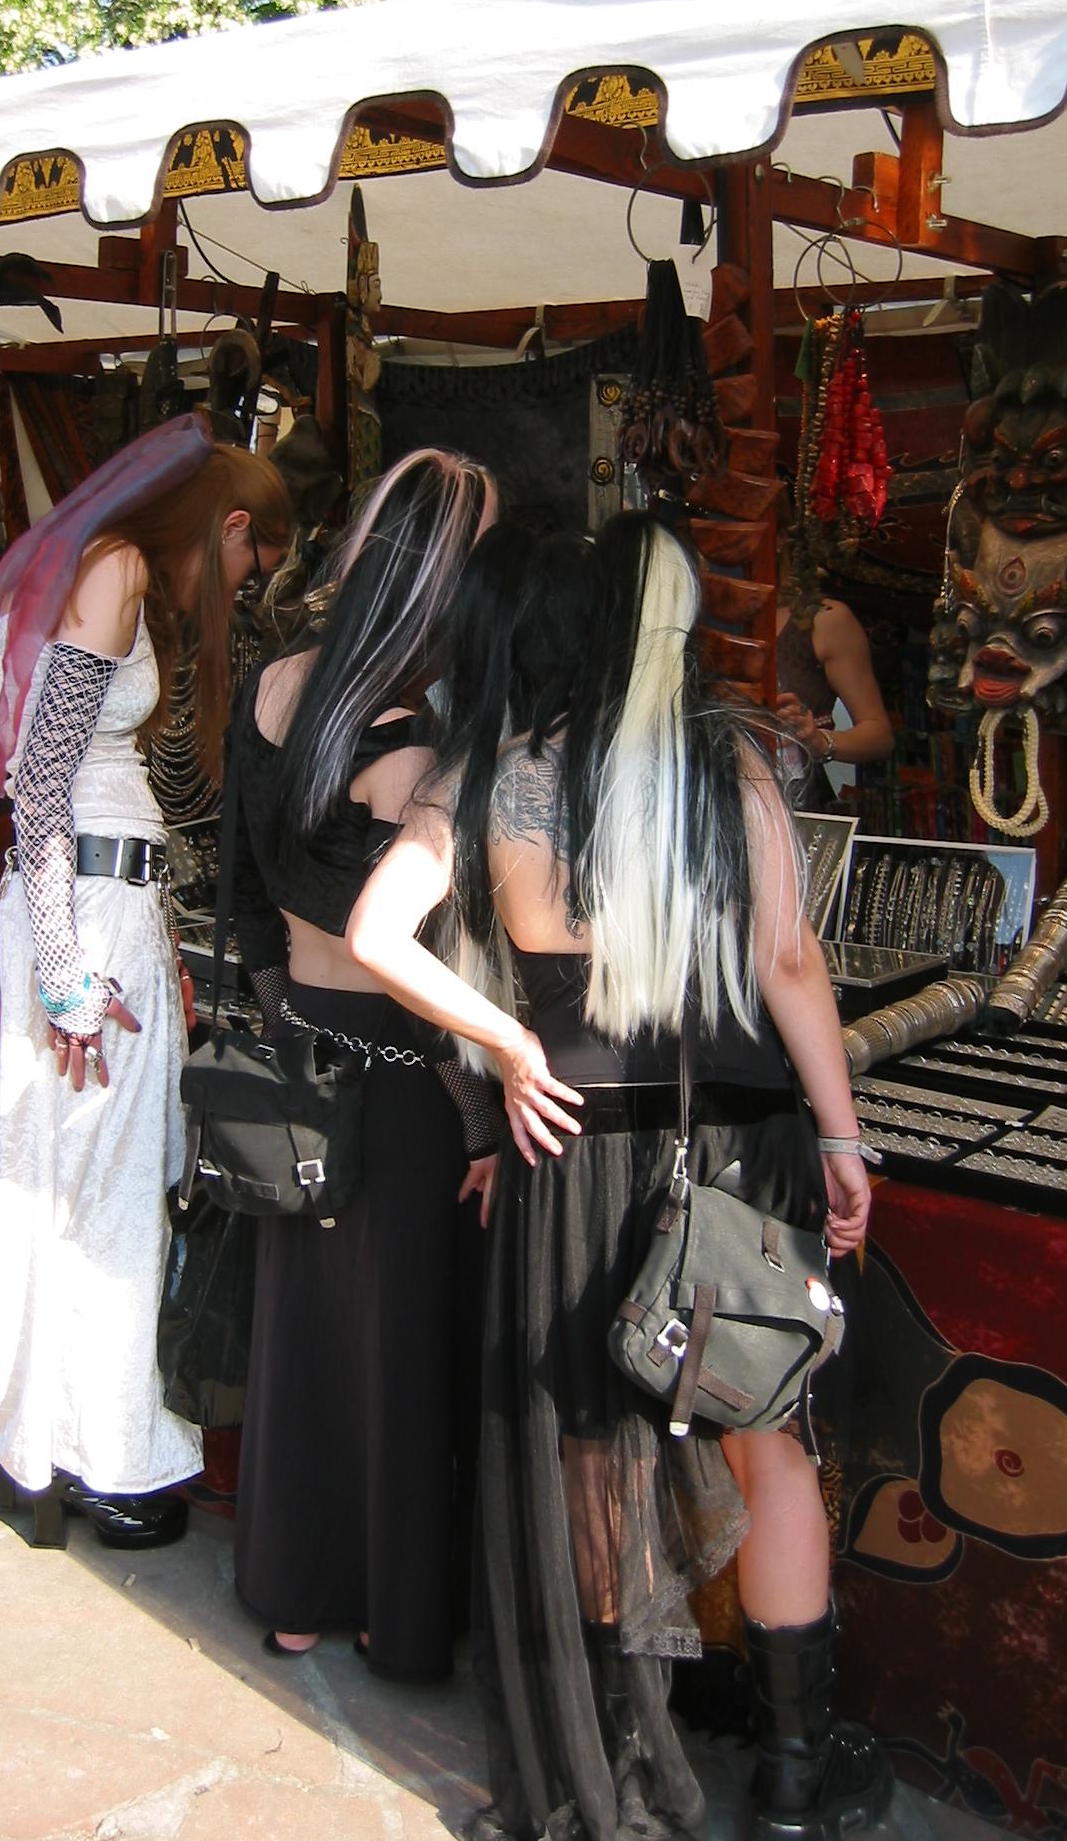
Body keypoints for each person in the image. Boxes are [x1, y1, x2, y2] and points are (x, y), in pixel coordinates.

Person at [347, 513, 892, 1841]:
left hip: (574, 1150)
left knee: (594, 1451)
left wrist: (508, 1042)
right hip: (737, 1147)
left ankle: (617, 1756)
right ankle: (794, 1772)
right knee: (767, 1440)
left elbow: (377, 935)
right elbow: (790, 962)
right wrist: (843, 1138)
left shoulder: (492, 772)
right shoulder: (728, 760)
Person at [0, 412, 290, 1549]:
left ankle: (54, 1443)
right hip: (84, 901)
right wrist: (70, 975)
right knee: (104, 1183)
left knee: (81, 1178)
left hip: (96, 902)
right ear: (230, 525)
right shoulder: (118, 569)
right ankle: (88, 1450)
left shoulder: (102, 568)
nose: (244, 580)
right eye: (253, 557)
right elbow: (40, 785)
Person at [227, 449, 505, 1681]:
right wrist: (481, 1106)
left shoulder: (273, 688)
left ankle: (295, 1592)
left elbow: (246, 895)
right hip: (406, 1071)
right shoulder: (430, 736)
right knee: (401, 1342)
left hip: (301, 1043)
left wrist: (285, 1018)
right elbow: (421, 953)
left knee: (303, 1335)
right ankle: (394, 1606)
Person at [773, 556, 893, 809]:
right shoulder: (696, 613)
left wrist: (819, 741)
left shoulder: (823, 620)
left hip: (794, 806)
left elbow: (878, 734)